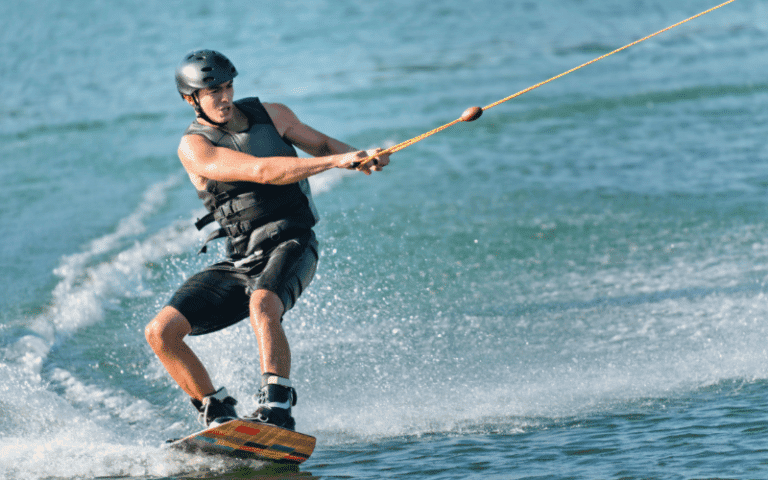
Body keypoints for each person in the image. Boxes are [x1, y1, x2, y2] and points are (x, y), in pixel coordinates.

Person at [145, 49, 389, 430]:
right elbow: (262, 170)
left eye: (227, 86)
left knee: (263, 304)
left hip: (293, 241)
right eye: (212, 92)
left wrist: (359, 156)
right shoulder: (194, 148)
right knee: (161, 332)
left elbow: (323, 146)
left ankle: (277, 406)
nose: (224, 97)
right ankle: (217, 409)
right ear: (189, 99)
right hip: (243, 258)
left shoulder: (272, 114)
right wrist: (333, 163)